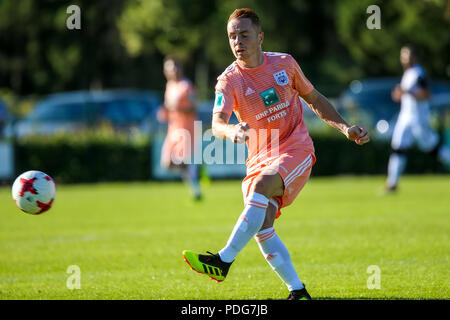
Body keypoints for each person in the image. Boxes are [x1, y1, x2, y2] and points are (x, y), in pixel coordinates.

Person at [182, 8, 369, 300]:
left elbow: (315, 99)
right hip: (259, 159)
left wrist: (345, 128)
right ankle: (298, 292)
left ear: (260, 36)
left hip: (295, 149)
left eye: (244, 34)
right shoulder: (228, 80)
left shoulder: (285, 63)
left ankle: (223, 260)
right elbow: (217, 123)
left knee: (260, 188)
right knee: (261, 225)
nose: (237, 41)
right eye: (232, 36)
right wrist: (231, 132)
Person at [385, 45, 450, 192]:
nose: (404, 58)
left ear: (414, 57)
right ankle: (392, 184)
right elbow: (405, 94)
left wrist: (407, 91)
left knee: (433, 149)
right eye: (403, 55)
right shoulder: (407, 74)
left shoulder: (418, 73)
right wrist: (400, 94)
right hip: (405, 116)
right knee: (398, 147)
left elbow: (426, 95)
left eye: (407, 55)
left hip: (419, 118)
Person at [157, 56, 202, 200]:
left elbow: (193, 107)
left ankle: (195, 190)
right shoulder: (169, 86)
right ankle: (193, 170)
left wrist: (176, 108)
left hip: (186, 130)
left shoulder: (186, 86)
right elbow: (168, 108)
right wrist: (164, 112)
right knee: (166, 163)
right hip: (173, 130)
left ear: (180, 69)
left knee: (178, 161)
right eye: (170, 68)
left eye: (176, 67)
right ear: (165, 71)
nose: (173, 71)